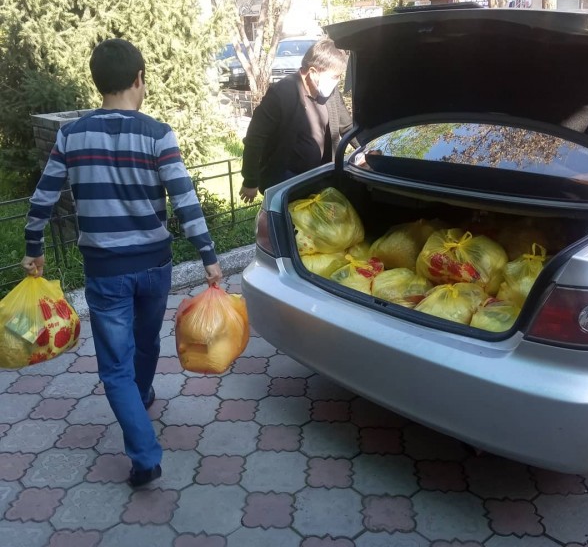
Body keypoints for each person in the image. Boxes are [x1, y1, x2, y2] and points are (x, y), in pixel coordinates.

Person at [21, 38, 222, 487]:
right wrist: (208, 255)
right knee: (146, 342)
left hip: (106, 271)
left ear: (99, 83)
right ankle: (142, 394)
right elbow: (185, 199)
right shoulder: (157, 133)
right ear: (138, 79)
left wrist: (34, 247)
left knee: (115, 367)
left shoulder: (71, 135)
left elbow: (43, 198)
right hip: (155, 267)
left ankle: (144, 455)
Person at [239, 37, 355, 203]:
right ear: (313, 72)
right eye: (335, 76)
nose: (336, 81)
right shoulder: (281, 93)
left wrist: (369, 149)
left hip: (320, 179)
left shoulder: (330, 93)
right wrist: (250, 180)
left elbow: (347, 126)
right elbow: (255, 138)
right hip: (286, 182)